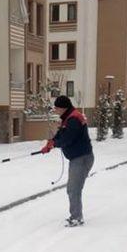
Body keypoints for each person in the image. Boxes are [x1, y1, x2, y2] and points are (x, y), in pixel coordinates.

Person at [41, 95, 94, 226]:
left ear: (63, 108)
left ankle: (76, 217)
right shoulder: (69, 118)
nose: (56, 110)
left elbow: (67, 139)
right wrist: (51, 142)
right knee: (73, 188)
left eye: (57, 108)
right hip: (78, 158)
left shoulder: (73, 119)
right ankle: (76, 215)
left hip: (81, 158)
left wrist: (54, 144)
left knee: (73, 188)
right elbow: (62, 134)